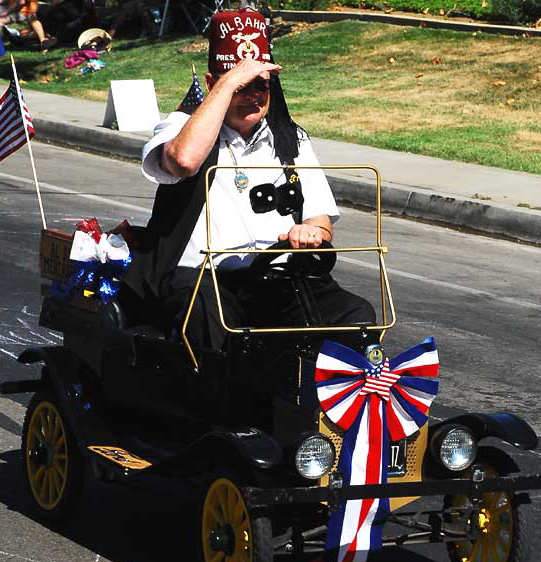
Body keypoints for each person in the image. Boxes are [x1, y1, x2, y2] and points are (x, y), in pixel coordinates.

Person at [120, 8, 375, 351]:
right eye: (242, 87)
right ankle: (221, 403)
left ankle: (322, 403)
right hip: (201, 279)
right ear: (214, 85)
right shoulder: (181, 127)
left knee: (355, 315)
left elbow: (320, 217)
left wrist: (312, 232)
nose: (254, 95)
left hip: (275, 276)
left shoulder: (290, 139)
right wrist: (228, 84)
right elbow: (183, 160)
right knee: (213, 320)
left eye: (261, 85)